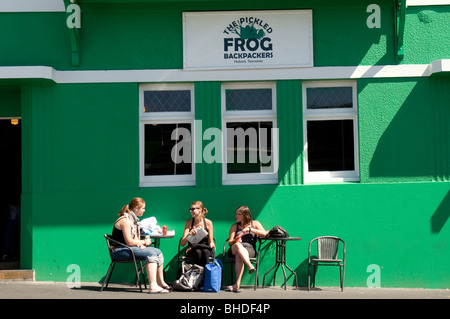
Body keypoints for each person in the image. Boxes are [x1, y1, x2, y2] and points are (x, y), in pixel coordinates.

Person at [111, 197, 170, 294]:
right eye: (143, 208)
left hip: (128, 249)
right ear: (136, 208)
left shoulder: (134, 221)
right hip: (119, 251)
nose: (144, 210)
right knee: (151, 253)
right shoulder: (125, 220)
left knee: (158, 252)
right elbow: (129, 242)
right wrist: (143, 242)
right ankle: (153, 286)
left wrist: (140, 244)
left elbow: (135, 240)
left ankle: (160, 282)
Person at [226, 205, 269, 292]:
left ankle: (237, 284)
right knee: (238, 246)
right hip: (234, 248)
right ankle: (250, 265)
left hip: (249, 250)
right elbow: (230, 242)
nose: (236, 216)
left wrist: (250, 230)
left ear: (245, 215)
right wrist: (236, 239)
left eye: (239, 214)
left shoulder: (255, 223)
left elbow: (264, 233)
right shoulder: (235, 226)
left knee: (239, 254)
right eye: (236, 214)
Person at [180, 201, 215, 267]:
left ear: (200, 210)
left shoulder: (208, 222)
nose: (191, 211)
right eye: (190, 209)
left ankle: (203, 274)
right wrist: (189, 235)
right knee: (198, 251)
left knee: (205, 251)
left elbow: (211, 241)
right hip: (192, 248)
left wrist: (212, 243)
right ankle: (200, 273)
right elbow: (182, 244)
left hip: (204, 247)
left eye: (193, 209)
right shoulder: (188, 222)